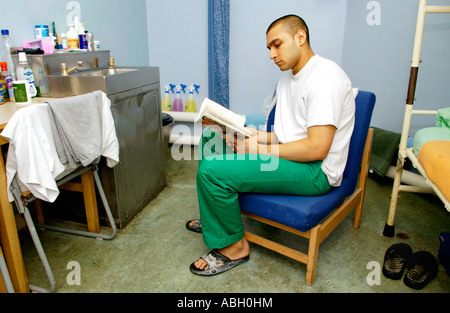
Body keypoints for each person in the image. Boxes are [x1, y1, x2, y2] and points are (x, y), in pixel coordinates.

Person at [188, 14, 355, 276]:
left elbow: (316, 148)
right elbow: (287, 134)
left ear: (300, 37)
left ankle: (235, 247)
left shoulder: (326, 80)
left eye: (277, 44)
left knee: (213, 171)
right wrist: (253, 135)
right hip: (293, 159)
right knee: (213, 138)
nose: (272, 54)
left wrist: (259, 150)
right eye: (269, 48)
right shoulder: (288, 80)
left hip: (315, 172)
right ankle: (215, 220)